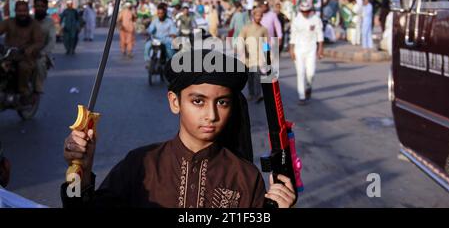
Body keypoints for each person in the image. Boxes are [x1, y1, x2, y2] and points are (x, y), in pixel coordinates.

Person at [61, 49, 296, 208]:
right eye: (198, 101)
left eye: (222, 102)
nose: (211, 115)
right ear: (175, 102)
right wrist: (81, 169)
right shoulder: (141, 164)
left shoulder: (245, 176)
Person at [0, 1, 44, 100]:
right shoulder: (9, 22)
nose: (22, 13)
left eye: (24, 11)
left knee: (23, 67)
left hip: (26, 57)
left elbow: (39, 41)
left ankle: (24, 90)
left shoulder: (34, 25)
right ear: (15, 11)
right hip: (9, 55)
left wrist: (30, 48)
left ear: (28, 11)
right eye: (19, 11)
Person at [289, 1, 324, 105]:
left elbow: (319, 34)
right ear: (300, 10)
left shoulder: (316, 19)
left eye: (307, 11)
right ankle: (302, 96)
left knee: (311, 73)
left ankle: (309, 86)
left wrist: (320, 48)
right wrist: (291, 50)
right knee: (300, 73)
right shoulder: (296, 20)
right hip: (299, 49)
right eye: (303, 11)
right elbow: (293, 36)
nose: (305, 13)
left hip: (311, 49)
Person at [238, 7, 268, 103]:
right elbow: (240, 39)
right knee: (250, 77)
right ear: (253, 16)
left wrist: (267, 56)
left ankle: (258, 94)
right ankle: (251, 93)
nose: (259, 17)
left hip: (259, 57)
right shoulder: (246, 28)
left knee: (257, 76)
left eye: (260, 16)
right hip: (248, 57)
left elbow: (266, 43)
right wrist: (242, 49)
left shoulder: (263, 29)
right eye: (257, 15)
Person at [33, 0, 55, 94]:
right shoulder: (29, 20)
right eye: (37, 6)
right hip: (26, 51)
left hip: (42, 53)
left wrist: (43, 52)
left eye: (42, 6)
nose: (39, 8)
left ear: (46, 8)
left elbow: (51, 40)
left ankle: (38, 88)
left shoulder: (49, 22)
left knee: (39, 63)